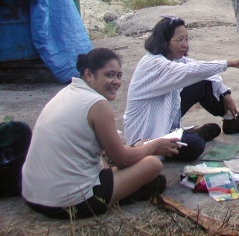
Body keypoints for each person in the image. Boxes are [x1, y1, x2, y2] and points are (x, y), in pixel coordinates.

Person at [22, 48, 179, 219]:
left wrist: (135, 148)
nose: (116, 82)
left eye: (119, 76)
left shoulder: (67, 93)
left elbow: (105, 151)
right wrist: (153, 147)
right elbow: (122, 160)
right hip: (70, 203)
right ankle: (126, 193)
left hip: (32, 196)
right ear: (88, 74)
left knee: (120, 155)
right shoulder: (97, 104)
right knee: (152, 165)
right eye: (109, 75)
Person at [123, 16, 239, 162]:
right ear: (163, 41)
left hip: (167, 117)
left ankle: (231, 121)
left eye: (187, 39)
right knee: (196, 146)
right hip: (148, 138)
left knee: (205, 81)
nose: (185, 44)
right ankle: (189, 135)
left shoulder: (174, 58)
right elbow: (191, 71)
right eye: (179, 40)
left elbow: (199, 67)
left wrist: (225, 93)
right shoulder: (155, 65)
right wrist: (229, 63)